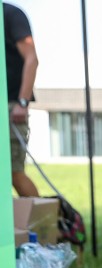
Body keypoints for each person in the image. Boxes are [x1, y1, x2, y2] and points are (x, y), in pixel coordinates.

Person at [4, 2, 39, 197]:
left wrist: (22, 102)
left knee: (13, 172)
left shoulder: (10, 14)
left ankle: (44, 224)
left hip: (11, 107)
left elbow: (31, 58)